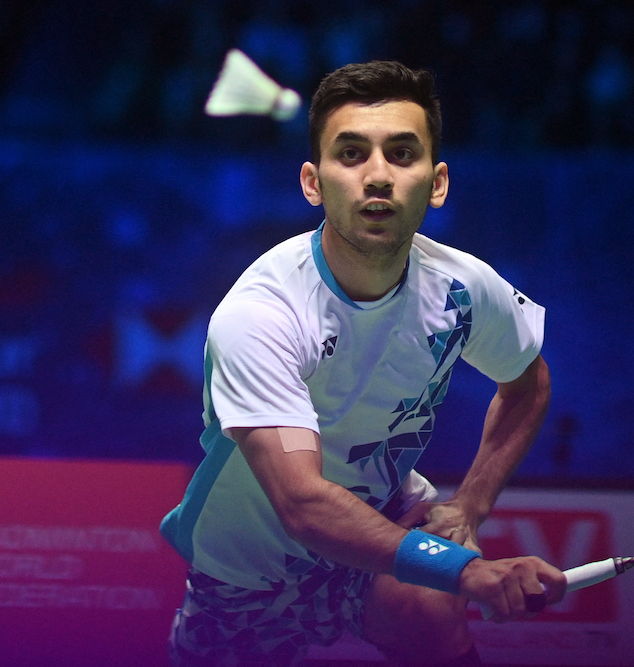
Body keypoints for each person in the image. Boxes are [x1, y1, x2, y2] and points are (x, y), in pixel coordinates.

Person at [160, 60, 566, 667]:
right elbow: (303, 505)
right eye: (351, 154)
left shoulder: (461, 288)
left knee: (428, 612)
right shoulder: (262, 313)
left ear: (437, 183)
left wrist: (471, 506)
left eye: (402, 154)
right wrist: (467, 571)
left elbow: (528, 383)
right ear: (313, 182)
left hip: (381, 525)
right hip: (248, 572)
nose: (378, 175)